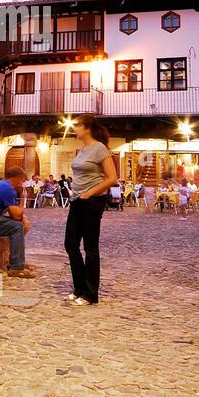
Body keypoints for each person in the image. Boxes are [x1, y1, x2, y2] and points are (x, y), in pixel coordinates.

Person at [64, 114, 116, 306]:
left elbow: (112, 178)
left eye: (77, 125)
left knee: (90, 247)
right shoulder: (82, 149)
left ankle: (90, 294)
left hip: (92, 201)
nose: (74, 129)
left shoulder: (100, 149)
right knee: (70, 244)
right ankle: (79, 289)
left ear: (86, 128)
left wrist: (89, 193)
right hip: (77, 200)